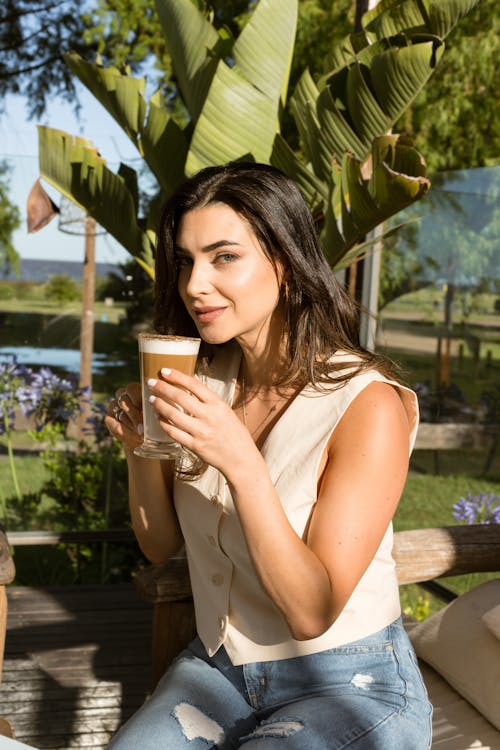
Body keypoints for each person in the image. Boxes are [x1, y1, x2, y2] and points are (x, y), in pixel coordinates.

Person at [105, 162, 432, 749]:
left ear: (283, 259)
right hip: (220, 671)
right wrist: (141, 450)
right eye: (185, 260)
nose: (194, 284)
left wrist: (242, 463)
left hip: (346, 680)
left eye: (223, 257)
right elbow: (160, 546)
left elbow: (312, 611)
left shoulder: (368, 405)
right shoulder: (206, 383)